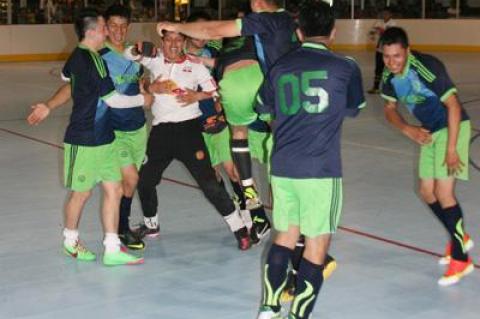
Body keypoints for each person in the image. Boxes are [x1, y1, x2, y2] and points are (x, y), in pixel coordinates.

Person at [254, 2, 366, 318]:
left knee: (285, 237)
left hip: (283, 166)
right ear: (333, 31)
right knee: (316, 245)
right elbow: (353, 107)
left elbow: (262, 109)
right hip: (320, 170)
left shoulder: (280, 67)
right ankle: (298, 315)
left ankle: (269, 307)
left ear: (298, 31)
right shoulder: (345, 66)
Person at [26, 8, 153, 266]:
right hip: (84, 138)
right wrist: (144, 99)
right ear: (94, 31)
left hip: (106, 136)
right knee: (81, 194)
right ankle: (70, 242)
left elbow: (66, 75)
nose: (109, 30)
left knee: (114, 189)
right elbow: (114, 101)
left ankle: (112, 248)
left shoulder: (80, 56)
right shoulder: (92, 60)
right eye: (106, 26)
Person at [156, 0, 300, 215]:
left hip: (234, 88)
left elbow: (211, 31)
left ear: (257, 3)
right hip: (273, 88)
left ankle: (249, 192)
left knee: (238, 135)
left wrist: (175, 26)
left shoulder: (259, 22)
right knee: (279, 146)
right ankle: (274, 208)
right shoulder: (291, 23)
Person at [124, 30, 252, 250]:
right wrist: (137, 51)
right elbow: (129, 55)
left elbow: (217, 92)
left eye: (178, 39)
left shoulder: (195, 66)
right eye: (169, 39)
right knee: (145, 182)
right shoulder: (155, 60)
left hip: (189, 133)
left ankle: (240, 230)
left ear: (184, 42)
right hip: (160, 133)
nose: (173, 43)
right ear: (162, 42)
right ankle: (151, 225)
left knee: (210, 184)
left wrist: (197, 96)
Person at [380, 27, 474, 286]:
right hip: (430, 132)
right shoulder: (389, 75)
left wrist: (452, 148)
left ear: (407, 51)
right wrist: (406, 128)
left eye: (397, 56)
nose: (392, 62)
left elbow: (454, 105)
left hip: (453, 128)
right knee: (426, 191)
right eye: (387, 56)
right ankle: (460, 238)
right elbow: (389, 109)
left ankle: (461, 259)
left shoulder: (426, 67)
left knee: (444, 194)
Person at [367, 7, 396, 94]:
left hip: (389, 50)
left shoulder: (393, 23)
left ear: (390, 14)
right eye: (383, 13)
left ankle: (389, 89)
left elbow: (390, 33)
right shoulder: (379, 22)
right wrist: (372, 34)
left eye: (386, 13)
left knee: (389, 69)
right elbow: (371, 32)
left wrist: (380, 30)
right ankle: (375, 87)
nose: (384, 15)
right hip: (380, 49)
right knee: (378, 69)